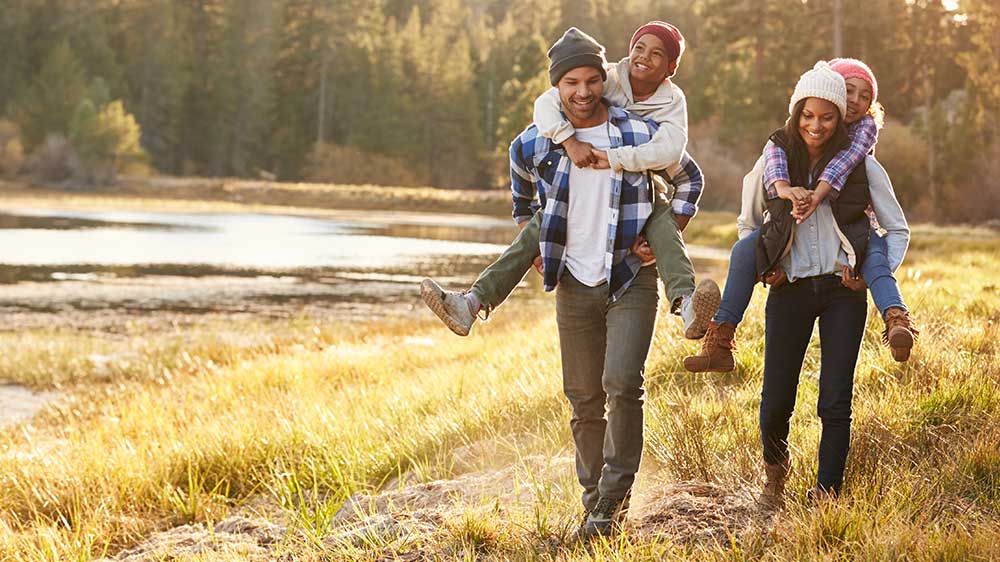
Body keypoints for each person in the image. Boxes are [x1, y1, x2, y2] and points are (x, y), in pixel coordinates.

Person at [475, 28, 666, 539]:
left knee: (623, 385)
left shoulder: (635, 131)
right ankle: (595, 503)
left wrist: (671, 229)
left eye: (591, 80)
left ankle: (612, 498)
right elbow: (520, 189)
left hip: (630, 277)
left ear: (605, 80)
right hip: (574, 283)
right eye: (571, 82)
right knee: (582, 398)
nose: (583, 92)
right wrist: (531, 237)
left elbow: (688, 176)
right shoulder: (537, 139)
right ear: (556, 87)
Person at [421, 21, 720, 341]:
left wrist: (665, 227)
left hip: (640, 189)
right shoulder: (604, 79)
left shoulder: (669, 106)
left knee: (661, 219)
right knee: (544, 220)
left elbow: (677, 156)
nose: (643, 57)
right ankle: (470, 303)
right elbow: (546, 104)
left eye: (657, 53)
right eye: (639, 47)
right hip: (580, 187)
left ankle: (686, 304)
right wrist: (568, 141)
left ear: (671, 67)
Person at [737, 62, 909, 506]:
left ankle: (828, 492)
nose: (817, 124)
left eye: (829, 115)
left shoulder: (862, 167)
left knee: (835, 399)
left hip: (842, 293)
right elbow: (747, 225)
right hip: (789, 289)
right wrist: (765, 266)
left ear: (839, 118)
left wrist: (870, 272)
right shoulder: (774, 161)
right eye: (809, 115)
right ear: (798, 114)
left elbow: (898, 230)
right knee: (776, 397)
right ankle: (775, 474)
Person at [684, 58, 918, 373]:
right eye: (849, 91)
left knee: (875, 256)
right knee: (743, 250)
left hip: (852, 239)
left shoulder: (861, 144)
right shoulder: (780, 145)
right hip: (789, 261)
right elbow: (753, 211)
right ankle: (721, 337)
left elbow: (847, 167)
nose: (856, 102)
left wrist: (818, 195)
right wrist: (769, 262)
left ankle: (896, 318)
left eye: (865, 97)